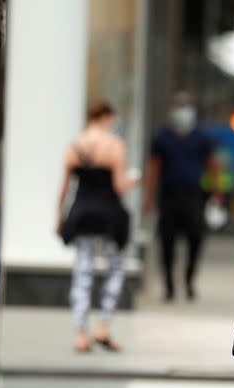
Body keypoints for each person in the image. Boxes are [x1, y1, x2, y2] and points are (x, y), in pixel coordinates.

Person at [57, 101, 136, 353]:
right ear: (106, 117)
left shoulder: (75, 145)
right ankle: (103, 326)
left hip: (82, 212)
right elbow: (119, 188)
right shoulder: (114, 145)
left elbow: (64, 188)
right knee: (114, 267)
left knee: (82, 270)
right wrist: (134, 179)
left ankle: (81, 332)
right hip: (109, 214)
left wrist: (59, 216)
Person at [144, 92, 221, 301]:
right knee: (167, 241)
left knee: (195, 239)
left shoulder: (201, 137)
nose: (182, 111)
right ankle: (169, 284)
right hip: (169, 196)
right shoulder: (162, 137)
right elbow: (154, 167)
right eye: (178, 106)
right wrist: (149, 197)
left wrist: (216, 194)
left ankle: (188, 279)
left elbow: (211, 165)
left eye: (185, 106)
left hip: (194, 196)